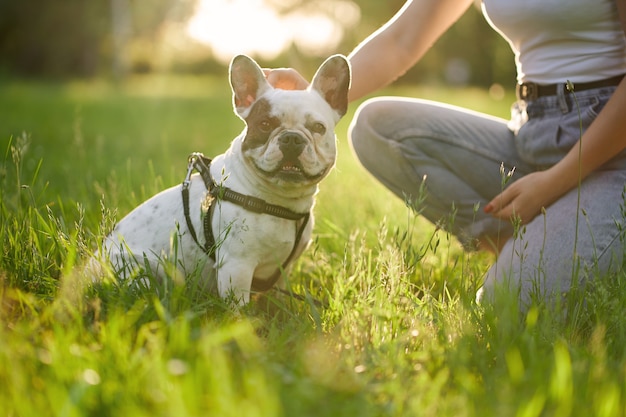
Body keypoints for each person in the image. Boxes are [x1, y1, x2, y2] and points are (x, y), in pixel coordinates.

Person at [265, 0, 626, 307]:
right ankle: (507, 244)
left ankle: (581, 235)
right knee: (377, 127)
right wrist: (313, 97)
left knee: (507, 303)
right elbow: (400, 41)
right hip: (532, 134)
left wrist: (551, 184)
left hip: (612, 154)